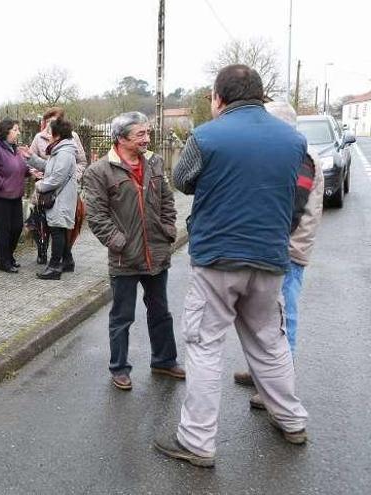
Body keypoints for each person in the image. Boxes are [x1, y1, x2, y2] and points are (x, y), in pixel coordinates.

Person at [155, 65, 309, 468]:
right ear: (259, 95)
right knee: (269, 342)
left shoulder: (207, 135)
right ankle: (291, 420)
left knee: (205, 347)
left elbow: (182, 180)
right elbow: (295, 194)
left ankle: (197, 441)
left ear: (219, 97)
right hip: (271, 258)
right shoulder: (294, 140)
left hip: (218, 258)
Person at [232, 101, 324, 409]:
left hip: (286, 252)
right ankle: (262, 373)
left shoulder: (300, 158)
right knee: (262, 318)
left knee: (283, 321)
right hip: (277, 249)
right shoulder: (291, 153)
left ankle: (277, 389)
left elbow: (291, 210)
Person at [83, 111, 182, 391]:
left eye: (147, 133)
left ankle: (164, 360)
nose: (147, 139)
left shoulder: (154, 162)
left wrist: (168, 228)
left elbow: (167, 200)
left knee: (161, 311)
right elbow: (97, 216)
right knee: (122, 316)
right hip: (124, 257)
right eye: (141, 134)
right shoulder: (99, 171)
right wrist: (118, 243)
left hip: (157, 252)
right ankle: (120, 368)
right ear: (121, 137)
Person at [28, 107, 89, 264]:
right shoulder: (40, 138)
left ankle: (57, 263)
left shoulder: (67, 145)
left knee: (59, 227)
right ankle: (51, 255)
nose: (49, 125)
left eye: (53, 121)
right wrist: (33, 164)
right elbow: (49, 166)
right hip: (47, 188)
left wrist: (72, 177)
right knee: (43, 223)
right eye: (47, 121)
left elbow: (62, 172)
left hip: (57, 189)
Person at [24, 118, 80, 279]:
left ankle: (54, 267)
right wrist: (31, 157)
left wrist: (40, 185)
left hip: (60, 199)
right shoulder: (61, 150)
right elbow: (49, 167)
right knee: (59, 230)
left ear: (57, 135)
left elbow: (56, 178)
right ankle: (68, 261)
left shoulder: (64, 152)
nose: (47, 135)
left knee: (57, 231)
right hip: (61, 198)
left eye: (50, 132)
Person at [0, 119, 31, 273]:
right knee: (4, 229)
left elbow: (19, 168)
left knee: (17, 227)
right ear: (6, 131)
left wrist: (30, 173)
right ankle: (3, 261)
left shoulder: (14, 149)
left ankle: (8, 256)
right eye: (15, 129)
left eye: (18, 130)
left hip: (14, 195)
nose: (18, 132)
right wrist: (4, 184)